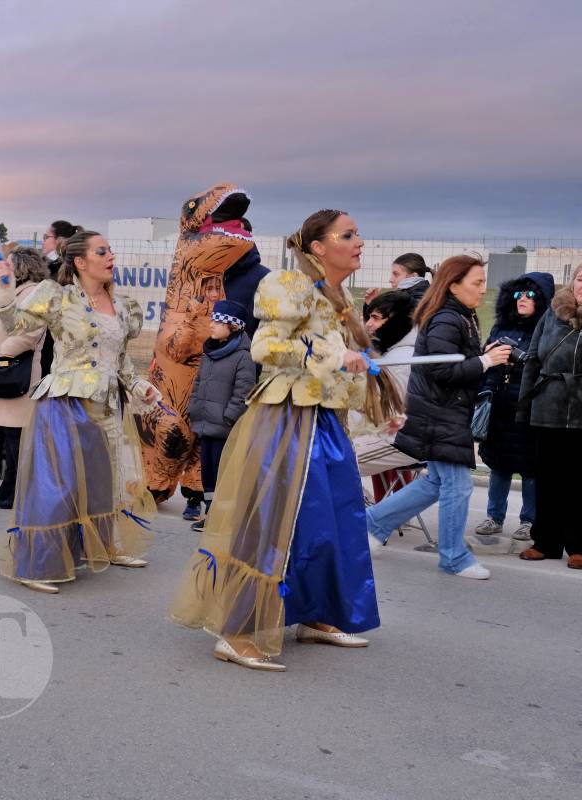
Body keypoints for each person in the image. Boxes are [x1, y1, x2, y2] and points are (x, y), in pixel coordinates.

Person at [170, 209, 404, 672]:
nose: (359, 242)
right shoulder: (288, 284)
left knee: (330, 523)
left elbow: (340, 368)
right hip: (288, 421)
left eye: (357, 234)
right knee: (272, 523)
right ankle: (237, 631)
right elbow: (266, 347)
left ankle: (315, 614)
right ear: (318, 246)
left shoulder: (340, 297)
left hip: (325, 423)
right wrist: (334, 353)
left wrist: (375, 406)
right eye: (348, 234)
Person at [0, 231, 159, 594]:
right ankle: (36, 564)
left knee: (105, 481)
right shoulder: (58, 297)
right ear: (81, 262)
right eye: (102, 251)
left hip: (108, 405)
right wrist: (4, 293)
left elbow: (120, 360)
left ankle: (103, 546)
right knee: (59, 485)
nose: (111, 257)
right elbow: (17, 326)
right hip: (66, 403)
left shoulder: (122, 306)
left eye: (111, 250)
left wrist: (138, 386)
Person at [367, 255, 512, 579]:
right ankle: (454, 557)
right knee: (457, 486)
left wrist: (483, 355)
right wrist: (486, 361)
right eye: (477, 282)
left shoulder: (460, 315)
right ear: (454, 285)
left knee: (435, 482)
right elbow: (442, 370)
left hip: (444, 411)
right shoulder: (447, 318)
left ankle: (372, 524)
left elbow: (452, 361)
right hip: (439, 414)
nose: (483, 289)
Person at [141, 184, 269, 518]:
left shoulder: (260, 279)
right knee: (174, 430)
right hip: (186, 374)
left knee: (211, 438)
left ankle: (199, 495)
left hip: (231, 367)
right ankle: (156, 484)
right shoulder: (200, 278)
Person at [517, 260, 582, 569]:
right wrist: (524, 406)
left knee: (581, 481)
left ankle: (581, 545)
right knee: (547, 478)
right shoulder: (552, 313)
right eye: (581, 279)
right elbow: (533, 359)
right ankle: (545, 542)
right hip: (547, 405)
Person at [473, 272, 554, 542]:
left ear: (541, 299)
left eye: (530, 295)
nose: (522, 299)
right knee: (499, 465)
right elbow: (485, 365)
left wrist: (520, 360)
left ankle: (529, 521)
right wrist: (488, 355)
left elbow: (546, 366)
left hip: (530, 409)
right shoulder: (501, 327)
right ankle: (494, 517)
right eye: (519, 293)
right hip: (499, 407)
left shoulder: (548, 330)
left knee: (531, 469)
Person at [0, 247, 48, 509]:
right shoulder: (14, 292)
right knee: (9, 434)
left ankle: (20, 490)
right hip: (4, 368)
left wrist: (1, 352)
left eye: (8, 264)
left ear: (21, 267)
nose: (2, 268)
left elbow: (29, 334)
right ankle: (8, 485)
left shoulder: (34, 294)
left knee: (18, 436)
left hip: (17, 370)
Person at [186, 299, 256, 532]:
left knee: (222, 473)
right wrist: (194, 408)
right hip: (205, 424)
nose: (211, 325)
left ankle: (223, 518)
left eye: (218, 321)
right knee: (208, 473)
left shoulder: (243, 357)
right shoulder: (210, 353)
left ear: (232, 326)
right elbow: (198, 383)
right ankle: (211, 513)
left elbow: (244, 392)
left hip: (224, 428)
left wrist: (229, 417)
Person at [352, 289, 421, 499]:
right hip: (390, 434)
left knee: (333, 462)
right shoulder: (394, 351)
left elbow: (387, 412)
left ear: (396, 320)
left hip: (396, 439)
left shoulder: (400, 359)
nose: (368, 324)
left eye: (375, 318)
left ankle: (364, 511)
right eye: (368, 317)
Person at [365, 252, 432, 308]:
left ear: (413, 276)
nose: (390, 280)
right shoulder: (407, 298)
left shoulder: (421, 300)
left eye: (396, 274)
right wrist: (372, 304)